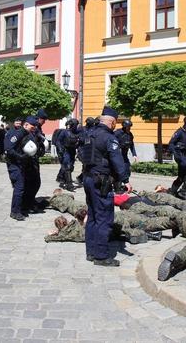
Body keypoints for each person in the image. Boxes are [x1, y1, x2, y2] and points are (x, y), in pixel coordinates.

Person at [82, 106, 131, 267]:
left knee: (93, 216)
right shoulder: (109, 138)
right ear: (112, 122)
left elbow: (82, 154)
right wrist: (125, 180)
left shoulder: (90, 133)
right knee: (104, 218)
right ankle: (101, 256)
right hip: (100, 181)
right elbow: (117, 161)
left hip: (88, 178)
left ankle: (91, 252)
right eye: (115, 123)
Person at [4, 116, 39, 221]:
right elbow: (8, 148)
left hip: (21, 164)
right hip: (14, 164)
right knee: (19, 188)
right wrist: (20, 157)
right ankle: (15, 212)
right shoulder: (18, 133)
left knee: (20, 187)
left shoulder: (27, 134)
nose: (33, 129)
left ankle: (18, 209)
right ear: (26, 125)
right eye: (32, 127)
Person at [168, 115, 186, 197]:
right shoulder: (179, 132)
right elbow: (171, 144)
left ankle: (173, 191)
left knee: (181, 176)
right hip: (180, 156)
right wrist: (175, 154)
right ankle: (183, 190)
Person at [57, 118, 80, 191]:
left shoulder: (77, 132)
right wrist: (60, 149)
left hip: (72, 151)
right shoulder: (65, 132)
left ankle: (61, 177)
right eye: (75, 125)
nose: (76, 126)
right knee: (67, 166)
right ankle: (69, 184)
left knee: (70, 167)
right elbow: (58, 141)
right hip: (65, 151)